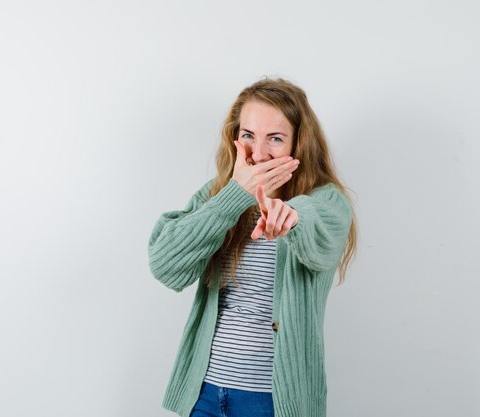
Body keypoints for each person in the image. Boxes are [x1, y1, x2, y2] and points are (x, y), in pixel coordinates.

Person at [148, 78, 357, 417]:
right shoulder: (219, 195)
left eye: (275, 138)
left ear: (298, 144)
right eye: (248, 135)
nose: (258, 154)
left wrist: (289, 216)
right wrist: (234, 196)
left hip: (271, 403)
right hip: (204, 395)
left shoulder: (326, 201)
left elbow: (318, 232)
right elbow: (165, 265)